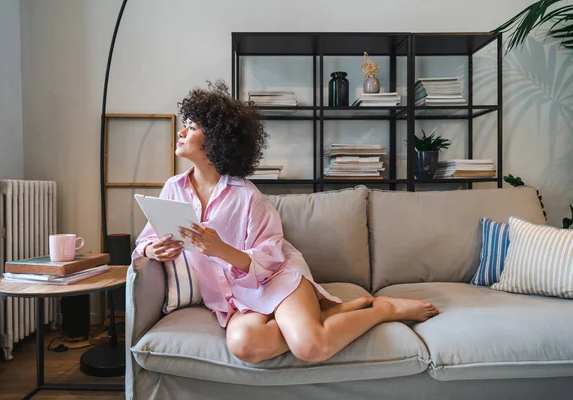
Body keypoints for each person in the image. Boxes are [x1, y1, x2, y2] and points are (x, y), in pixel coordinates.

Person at [132, 81, 439, 364]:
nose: (181, 133)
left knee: (311, 346)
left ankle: (382, 310)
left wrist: (219, 249)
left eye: (191, 127)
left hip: (278, 280)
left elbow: (270, 259)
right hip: (235, 301)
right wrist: (152, 250)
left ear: (215, 141)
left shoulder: (247, 196)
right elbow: (145, 239)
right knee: (244, 344)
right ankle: (326, 313)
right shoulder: (174, 188)